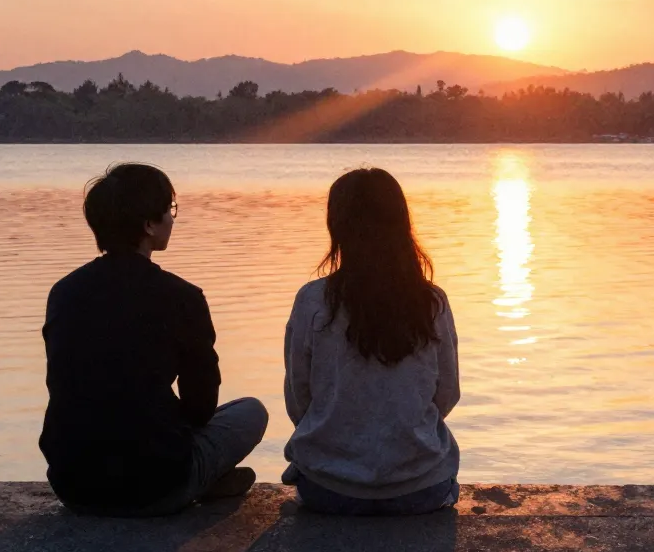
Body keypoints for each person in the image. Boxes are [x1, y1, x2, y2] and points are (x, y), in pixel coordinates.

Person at [40, 163, 266, 515]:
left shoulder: (64, 293)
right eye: (170, 210)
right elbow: (201, 407)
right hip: (156, 488)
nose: (172, 219)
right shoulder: (182, 297)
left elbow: (66, 383)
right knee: (251, 412)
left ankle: (202, 476)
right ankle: (202, 479)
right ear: (148, 224)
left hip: (74, 486)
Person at [283, 167, 461, 515]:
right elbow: (447, 394)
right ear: (402, 225)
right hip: (419, 490)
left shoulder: (311, 300)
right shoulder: (431, 303)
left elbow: (299, 398)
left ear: (337, 227)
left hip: (328, 490)